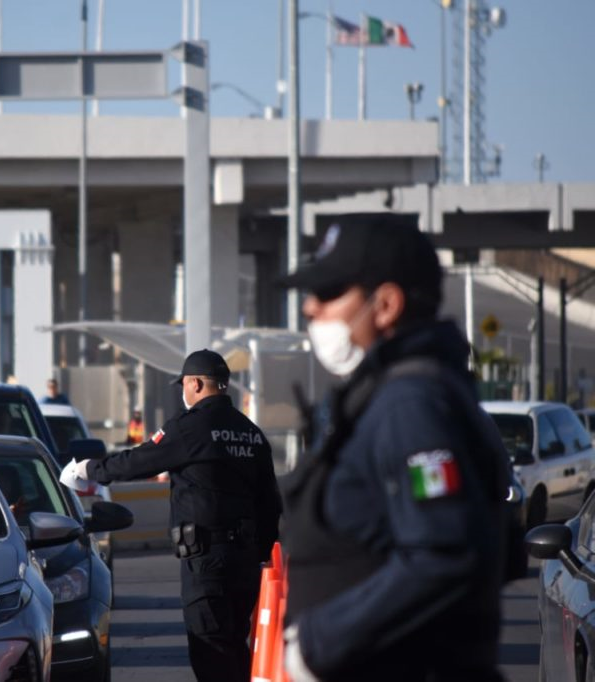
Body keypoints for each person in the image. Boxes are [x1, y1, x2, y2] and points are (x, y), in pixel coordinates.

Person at [277, 216, 509, 681]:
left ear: (385, 305)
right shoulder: (384, 394)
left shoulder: (410, 403)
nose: (309, 307)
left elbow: (444, 552)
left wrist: (318, 642)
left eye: (329, 293)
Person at [67, 349, 281, 682]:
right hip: (245, 562)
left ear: (196, 384)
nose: (183, 391)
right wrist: (260, 551)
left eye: (184, 384)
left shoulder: (190, 428)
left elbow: (138, 461)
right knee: (234, 645)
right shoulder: (251, 433)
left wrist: (89, 470)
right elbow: (270, 501)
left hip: (206, 561)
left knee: (210, 649)